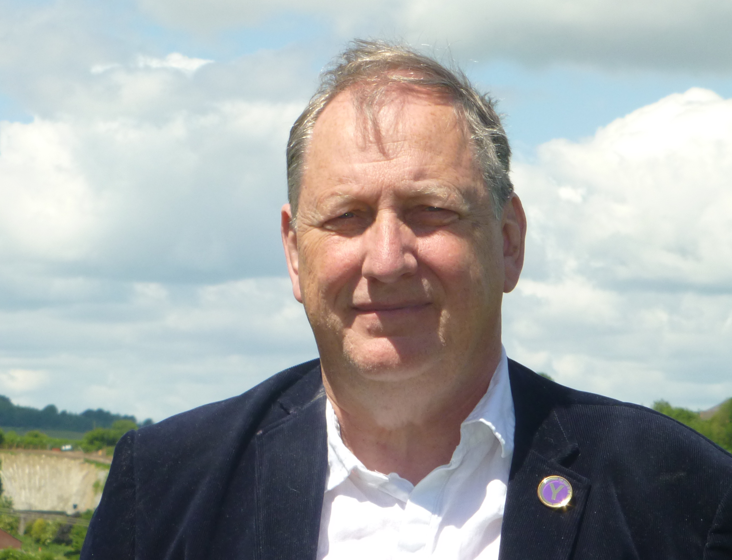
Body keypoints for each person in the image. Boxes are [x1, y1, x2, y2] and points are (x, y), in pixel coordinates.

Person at [82, 39, 732, 559]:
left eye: (430, 211)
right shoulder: (167, 488)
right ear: (293, 253)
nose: (387, 258)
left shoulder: (680, 493)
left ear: (508, 242)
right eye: (347, 216)